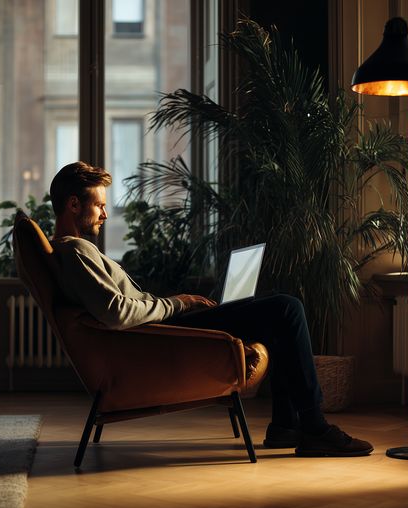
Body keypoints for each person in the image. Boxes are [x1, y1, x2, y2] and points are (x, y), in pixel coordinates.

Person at [49, 161, 373, 457]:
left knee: (276, 305)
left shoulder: (73, 251)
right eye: (99, 205)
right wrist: (177, 304)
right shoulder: (76, 251)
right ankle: (314, 426)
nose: (105, 214)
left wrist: (178, 305)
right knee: (286, 309)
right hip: (159, 338)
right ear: (74, 204)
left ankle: (286, 427)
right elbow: (117, 312)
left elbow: (117, 308)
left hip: (160, 330)